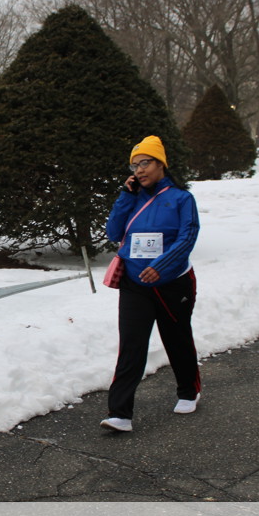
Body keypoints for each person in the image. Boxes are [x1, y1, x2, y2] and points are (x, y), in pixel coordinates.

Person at [100, 135, 201, 433]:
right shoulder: (132, 198)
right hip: (135, 283)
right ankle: (120, 413)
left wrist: (162, 266)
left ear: (161, 164)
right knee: (131, 346)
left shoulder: (182, 199)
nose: (140, 170)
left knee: (177, 339)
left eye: (145, 162)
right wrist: (125, 196)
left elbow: (187, 236)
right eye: (135, 165)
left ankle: (188, 391)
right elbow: (112, 232)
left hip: (173, 282)